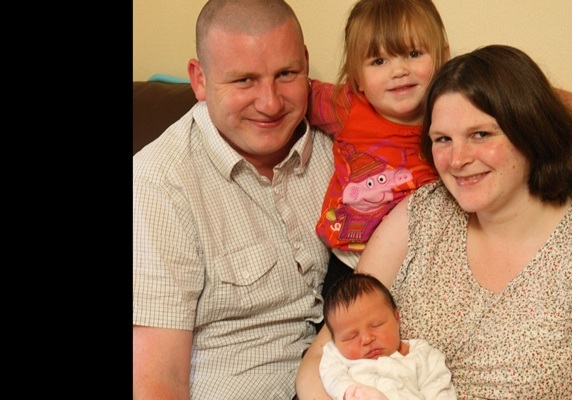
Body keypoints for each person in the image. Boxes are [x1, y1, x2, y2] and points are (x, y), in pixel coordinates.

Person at [296, 44, 572, 399]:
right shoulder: (420, 215)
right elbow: (322, 354)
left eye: (481, 135)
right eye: (443, 139)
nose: (456, 160)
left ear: (531, 131)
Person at [133, 1, 335, 399]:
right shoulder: (159, 183)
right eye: (244, 80)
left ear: (306, 64)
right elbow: (157, 380)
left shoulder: (336, 149)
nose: (271, 103)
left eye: (286, 74)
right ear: (200, 79)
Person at [308, 0, 449, 295]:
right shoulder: (345, 106)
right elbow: (292, 93)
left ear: (443, 57)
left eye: (413, 53)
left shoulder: (454, 111)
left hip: (423, 269)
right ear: (357, 78)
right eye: (379, 61)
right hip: (351, 263)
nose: (399, 70)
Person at [320, 273, 457, 400]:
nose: (367, 339)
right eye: (351, 336)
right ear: (335, 341)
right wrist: (352, 391)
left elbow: (440, 393)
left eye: (377, 325)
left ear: (396, 318)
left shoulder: (424, 356)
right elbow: (331, 376)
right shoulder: (336, 354)